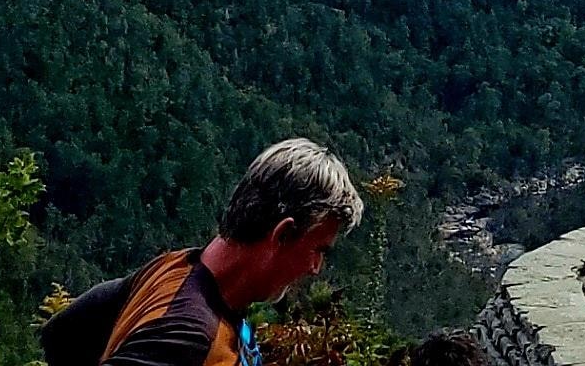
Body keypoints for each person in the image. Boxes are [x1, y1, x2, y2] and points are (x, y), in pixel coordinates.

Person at [41, 138, 363, 366]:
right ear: (282, 235)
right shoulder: (187, 336)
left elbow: (63, 333)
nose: (316, 268)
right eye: (318, 250)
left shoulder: (175, 268)